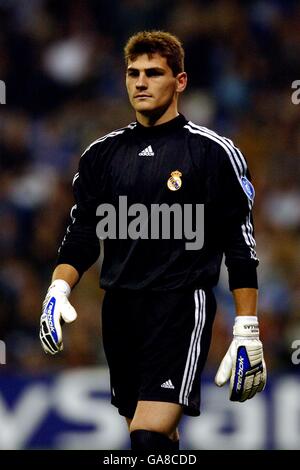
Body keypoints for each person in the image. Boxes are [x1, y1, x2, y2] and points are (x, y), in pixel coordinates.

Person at [39, 31, 266, 451]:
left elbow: (239, 244)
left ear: (180, 81)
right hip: (120, 310)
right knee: (153, 442)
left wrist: (247, 328)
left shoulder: (213, 153)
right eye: (133, 73)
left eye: (154, 73)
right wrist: (58, 287)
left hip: (179, 304)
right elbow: (83, 233)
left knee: (147, 434)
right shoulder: (100, 156)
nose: (141, 82)